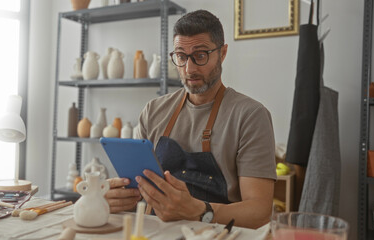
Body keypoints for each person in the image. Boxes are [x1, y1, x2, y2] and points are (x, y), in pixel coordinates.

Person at [105, 9, 276, 229]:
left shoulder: (251, 116)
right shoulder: (153, 111)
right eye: (181, 56)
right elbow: (136, 191)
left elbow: (260, 212)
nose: (189, 68)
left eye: (200, 55)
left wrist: (201, 211)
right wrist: (113, 197)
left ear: (222, 53)